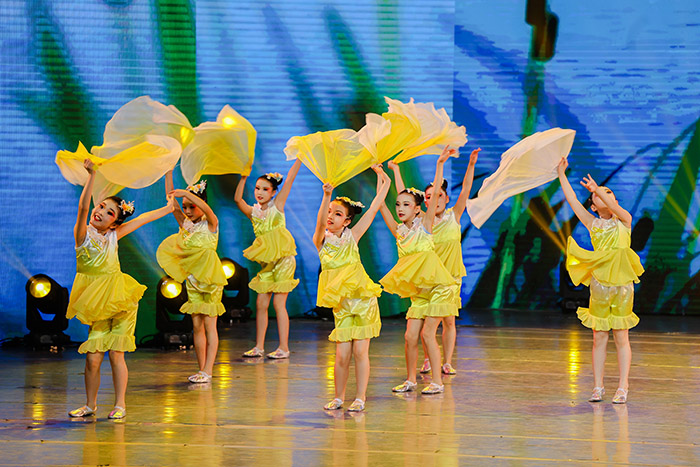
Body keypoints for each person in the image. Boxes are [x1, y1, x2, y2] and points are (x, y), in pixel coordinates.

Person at [68, 159, 174, 419]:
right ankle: (90, 405)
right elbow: (83, 207)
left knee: (117, 354)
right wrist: (91, 176)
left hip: (121, 298)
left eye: (109, 213)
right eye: (101, 206)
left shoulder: (114, 236)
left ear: (114, 224)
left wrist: (168, 207)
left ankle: (120, 405)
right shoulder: (82, 236)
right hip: (97, 301)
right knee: (93, 357)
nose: (101, 212)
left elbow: (144, 219)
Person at [558, 158, 644, 404]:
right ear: (594, 207)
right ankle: (598, 386)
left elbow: (615, 207)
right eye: (597, 196)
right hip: (599, 287)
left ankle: (623, 386)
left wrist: (598, 189)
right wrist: (561, 174)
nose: (603, 195)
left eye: (608, 193)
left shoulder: (624, 220)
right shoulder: (593, 223)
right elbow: (573, 201)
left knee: (621, 336)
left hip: (622, 288)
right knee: (599, 337)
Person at [388, 148, 479, 375]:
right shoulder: (421, 220)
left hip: (450, 278)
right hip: (428, 279)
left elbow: (466, 189)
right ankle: (430, 358)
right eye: (428, 197)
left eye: (438, 195)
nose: (434, 199)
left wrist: (470, 164)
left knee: (448, 321)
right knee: (426, 323)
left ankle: (446, 361)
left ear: (446, 198)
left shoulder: (454, 215)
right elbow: (404, 196)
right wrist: (396, 171)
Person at [379, 148, 460, 395]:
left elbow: (432, 196)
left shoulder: (425, 225)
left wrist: (440, 164)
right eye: (398, 204)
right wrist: (382, 177)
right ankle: (411, 380)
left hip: (440, 287)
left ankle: (437, 382)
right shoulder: (399, 231)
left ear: (418, 209)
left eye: (406, 205)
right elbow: (381, 203)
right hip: (421, 291)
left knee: (427, 333)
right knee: (409, 336)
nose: (400, 208)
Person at [313, 165, 391, 412]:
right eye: (329, 212)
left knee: (360, 352)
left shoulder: (352, 236)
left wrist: (384, 179)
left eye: (337, 214)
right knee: (341, 355)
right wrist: (326, 195)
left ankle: (360, 398)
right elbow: (320, 223)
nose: (330, 216)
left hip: (363, 302)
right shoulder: (321, 241)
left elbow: (375, 207)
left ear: (347, 221)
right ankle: (338, 397)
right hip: (342, 306)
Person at [157, 172, 227, 384]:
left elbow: (208, 210)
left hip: (211, 282)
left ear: (201, 204)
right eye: (185, 207)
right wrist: (168, 173)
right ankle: (201, 369)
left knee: (210, 326)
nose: (187, 211)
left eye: (192, 206)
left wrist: (187, 193)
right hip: (193, 281)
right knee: (197, 327)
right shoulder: (187, 225)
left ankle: (208, 370)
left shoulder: (211, 224)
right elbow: (172, 203)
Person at [234, 159, 302, 359]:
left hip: (283, 260)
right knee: (261, 304)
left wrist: (300, 156)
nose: (260, 192)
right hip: (267, 264)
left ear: (273, 192)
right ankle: (259, 347)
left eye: (265, 189)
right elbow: (237, 200)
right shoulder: (254, 212)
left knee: (278, 304)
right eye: (257, 188)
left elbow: (290, 179)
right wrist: (243, 178)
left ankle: (284, 348)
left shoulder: (277, 205)